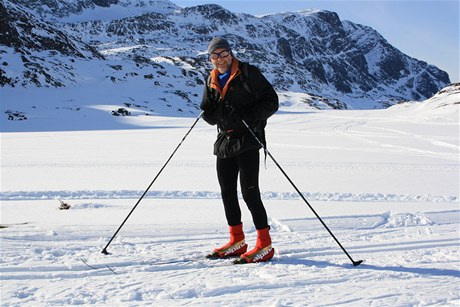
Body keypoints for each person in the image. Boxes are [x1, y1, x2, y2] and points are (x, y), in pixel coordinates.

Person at [200, 37, 279, 264]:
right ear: (210, 58)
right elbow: (209, 110)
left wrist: (248, 115)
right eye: (215, 55)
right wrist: (209, 114)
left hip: (248, 140)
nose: (220, 59)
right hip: (225, 141)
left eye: (223, 54)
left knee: (250, 193)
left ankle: (265, 244)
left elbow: (271, 102)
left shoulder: (248, 73)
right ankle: (237, 241)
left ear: (231, 53)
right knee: (227, 193)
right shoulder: (211, 78)